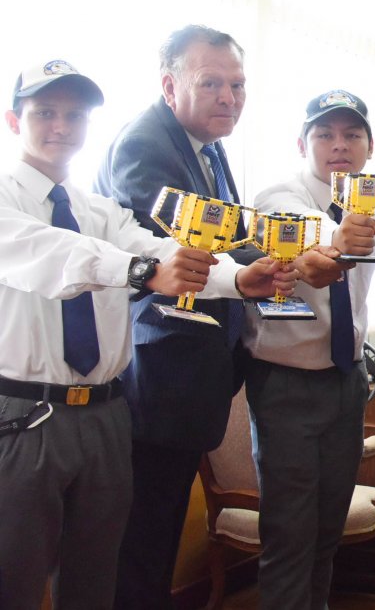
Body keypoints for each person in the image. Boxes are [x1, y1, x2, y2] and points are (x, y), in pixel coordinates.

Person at [0, 60, 288, 610]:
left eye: (76, 115)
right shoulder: (7, 198)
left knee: (97, 578)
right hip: (28, 418)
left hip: (108, 414)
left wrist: (236, 278)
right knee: (14, 575)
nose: (62, 126)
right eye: (45, 113)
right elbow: (50, 252)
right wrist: (138, 271)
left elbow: (155, 247)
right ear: (15, 121)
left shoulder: (95, 208)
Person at [93, 24, 264, 609]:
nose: (229, 98)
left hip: (192, 374)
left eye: (238, 84)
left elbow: (233, 233)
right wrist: (265, 261)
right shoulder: (146, 145)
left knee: (159, 527)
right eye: (211, 82)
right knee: (141, 535)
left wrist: (263, 253)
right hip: (155, 372)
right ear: (170, 86)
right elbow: (179, 248)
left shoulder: (206, 146)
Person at [241, 89, 375, 609]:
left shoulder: (373, 202)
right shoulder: (277, 195)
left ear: (369, 147)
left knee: (326, 535)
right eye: (324, 134)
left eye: (352, 135)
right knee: (290, 536)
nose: (339, 145)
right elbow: (306, 234)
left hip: (346, 383)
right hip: (286, 383)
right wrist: (342, 237)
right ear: (302, 142)